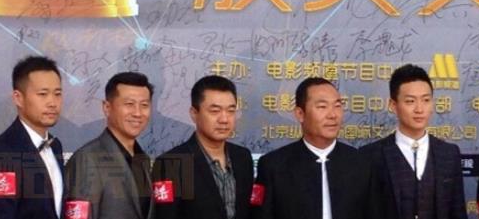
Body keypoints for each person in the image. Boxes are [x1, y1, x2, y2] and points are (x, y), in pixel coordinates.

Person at [252, 77, 371, 219]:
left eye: (337, 106)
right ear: (300, 114)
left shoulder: (361, 163)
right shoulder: (273, 166)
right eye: (322, 107)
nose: (333, 115)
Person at [361, 64, 467, 219]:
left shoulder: (449, 154)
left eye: (426, 100)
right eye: (410, 101)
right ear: (393, 105)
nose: (419, 109)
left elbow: (458, 212)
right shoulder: (371, 156)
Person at [151, 75, 254, 219]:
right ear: (194, 113)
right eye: (215, 111)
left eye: (231, 111)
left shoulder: (243, 157)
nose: (224, 119)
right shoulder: (170, 164)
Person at [0, 56, 64, 219]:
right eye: (42, 94)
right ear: (18, 98)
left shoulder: (55, 145)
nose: (52, 102)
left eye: (57, 94)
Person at [64, 72, 154, 219]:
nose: (138, 113)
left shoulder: (142, 159)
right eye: (129, 104)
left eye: (144, 105)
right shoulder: (87, 159)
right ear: (107, 107)